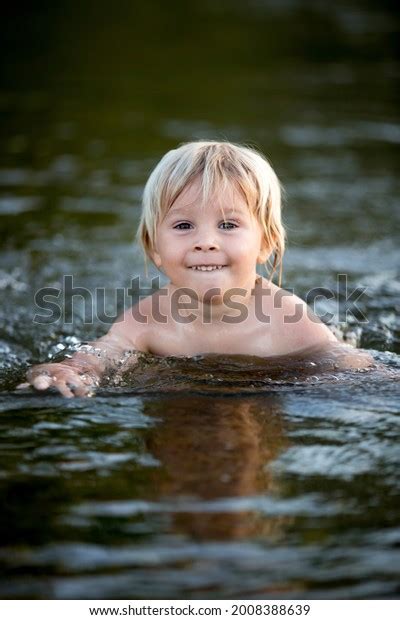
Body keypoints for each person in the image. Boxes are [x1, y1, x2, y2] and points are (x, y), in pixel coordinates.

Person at [20, 141, 368, 398]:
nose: (206, 242)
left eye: (229, 225)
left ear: (266, 243)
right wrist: (67, 371)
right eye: (184, 225)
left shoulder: (291, 323)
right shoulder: (145, 321)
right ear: (154, 247)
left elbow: (357, 370)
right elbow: (99, 357)